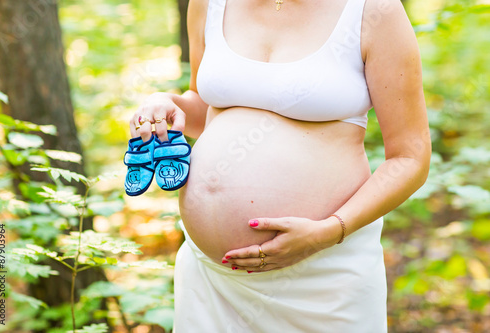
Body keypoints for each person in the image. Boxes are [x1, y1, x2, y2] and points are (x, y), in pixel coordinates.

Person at [129, 0, 431, 331]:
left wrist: (329, 231)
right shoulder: (209, 3)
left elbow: (409, 157)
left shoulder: (374, 12)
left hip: (322, 276)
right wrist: (166, 103)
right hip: (211, 280)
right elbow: (205, 107)